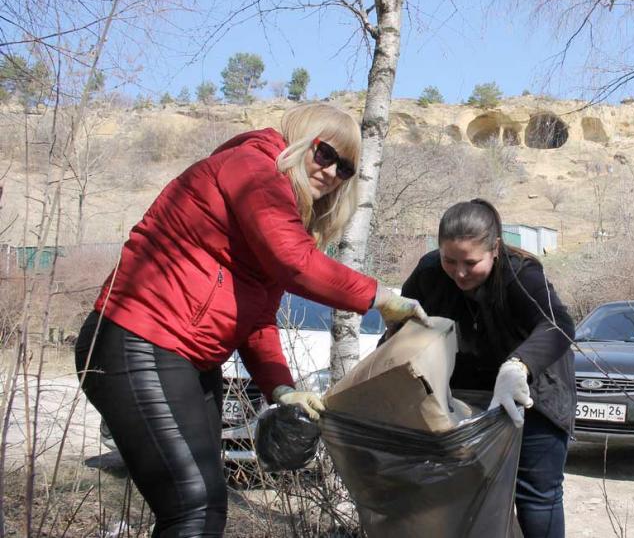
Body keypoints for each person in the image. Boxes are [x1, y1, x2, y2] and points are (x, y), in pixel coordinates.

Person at [74, 102, 428, 537]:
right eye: (324, 153)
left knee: (205, 507)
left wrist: (281, 388)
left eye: (346, 169)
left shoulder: (280, 211)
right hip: (137, 338)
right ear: (300, 142)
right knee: (193, 506)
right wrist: (381, 298)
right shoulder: (252, 167)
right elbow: (295, 264)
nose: (331, 171)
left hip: (188, 359)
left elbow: (257, 318)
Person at [399, 199, 576, 538]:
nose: (460, 273)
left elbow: (559, 325)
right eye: (450, 260)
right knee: (469, 494)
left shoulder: (520, 274)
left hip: (534, 394)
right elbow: (403, 331)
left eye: (471, 262)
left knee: (536, 495)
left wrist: (518, 365)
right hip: (467, 398)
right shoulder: (430, 273)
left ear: (494, 249)